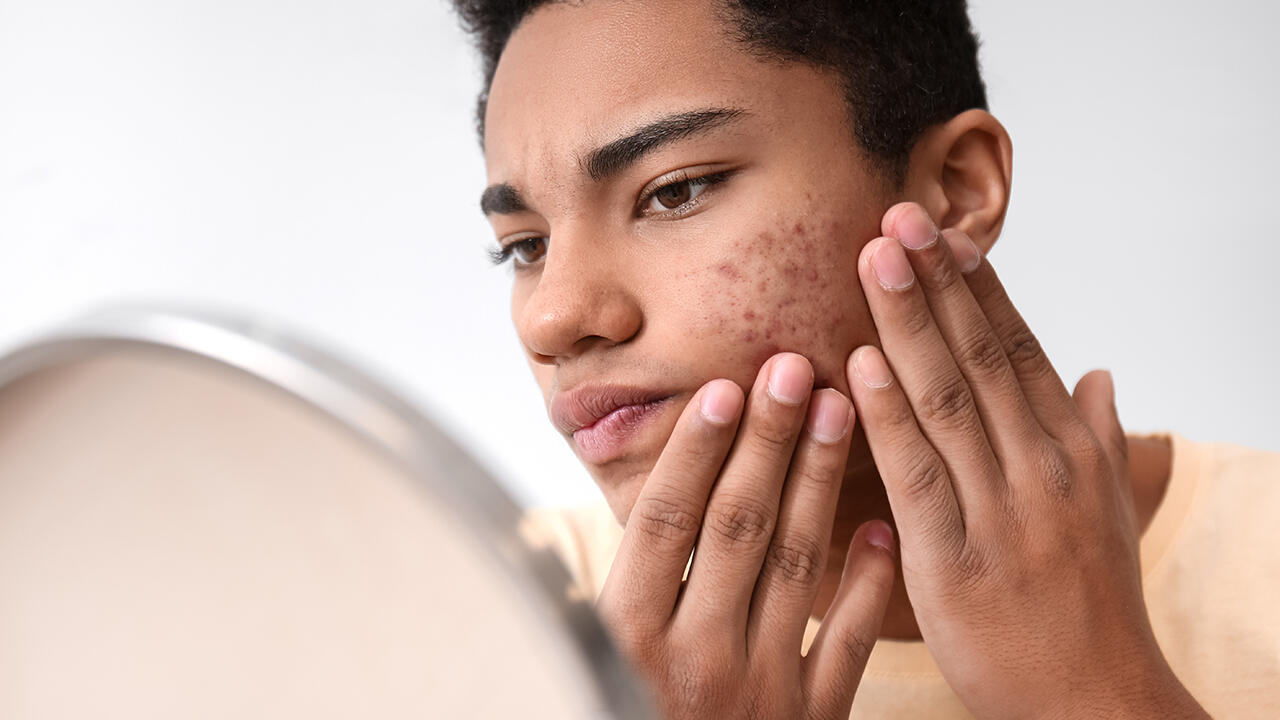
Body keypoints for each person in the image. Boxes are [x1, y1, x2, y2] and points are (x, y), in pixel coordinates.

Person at [452, 1, 1280, 717]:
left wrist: (1097, 693)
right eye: (524, 247)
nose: (553, 317)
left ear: (955, 186)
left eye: (676, 190)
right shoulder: (471, 620)